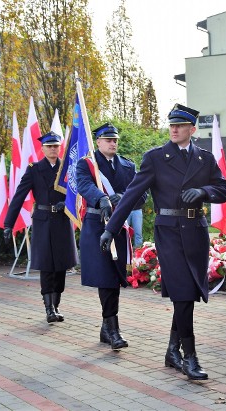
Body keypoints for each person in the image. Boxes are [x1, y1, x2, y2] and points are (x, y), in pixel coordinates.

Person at [100, 104, 226, 380]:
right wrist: (111, 229)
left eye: (180, 125)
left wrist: (203, 191)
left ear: (192, 130)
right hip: (169, 231)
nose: (174, 129)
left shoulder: (204, 159)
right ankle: (189, 357)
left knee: (188, 295)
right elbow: (131, 195)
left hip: (196, 231)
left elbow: (223, 190)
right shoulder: (156, 158)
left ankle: (172, 350)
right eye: (171, 124)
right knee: (183, 291)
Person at [76, 123, 146, 350]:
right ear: (97, 142)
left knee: (114, 278)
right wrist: (102, 198)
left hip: (120, 226)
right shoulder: (87, 164)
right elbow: (84, 186)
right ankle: (113, 330)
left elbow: (142, 194)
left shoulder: (128, 165)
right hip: (97, 225)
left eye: (115, 139)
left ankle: (106, 328)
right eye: (108, 140)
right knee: (105, 277)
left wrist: (123, 198)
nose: (113, 143)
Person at [3, 131, 78, 323]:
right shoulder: (34, 169)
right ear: (43, 148)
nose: (53, 149)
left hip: (62, 220)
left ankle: (57, 304)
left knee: (61, 265)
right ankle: (49, 308)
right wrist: (8, 224)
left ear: (60, 147)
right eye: (49, 146)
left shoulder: (68, 168)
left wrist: (68, 205)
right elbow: (19, 196)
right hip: (43, 221)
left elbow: (78, 193)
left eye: (56, 146)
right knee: (46, 265)